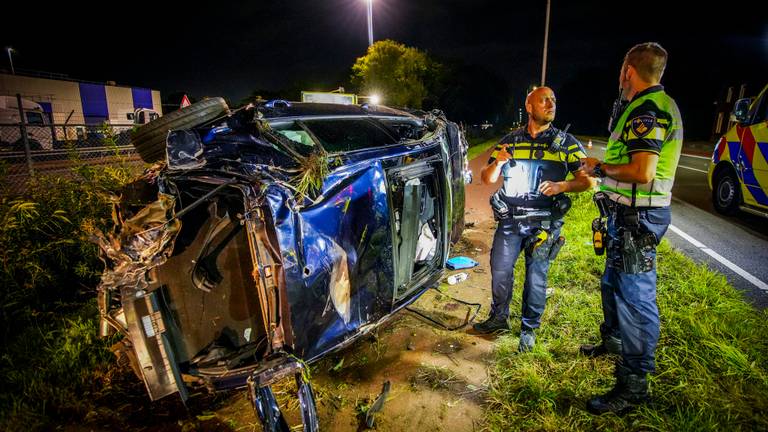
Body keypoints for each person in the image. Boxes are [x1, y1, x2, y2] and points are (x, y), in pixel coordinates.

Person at [579, 42, 683, 415]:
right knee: (612, 283)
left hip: (639, 221)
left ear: (628, 71)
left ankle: (634, 384)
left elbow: (642, 171)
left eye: (622, 72)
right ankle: (614, 343)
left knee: (636, 300)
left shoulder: (648, 108)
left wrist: (601, 169)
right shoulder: (644, 106)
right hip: (624, 218)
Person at [473, 86, 593, 353]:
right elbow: (486, 179)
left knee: (535, 277)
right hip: (510, 221)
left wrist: (563, 186)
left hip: (545, 223)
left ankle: (529, 330)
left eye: (553, 100)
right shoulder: (510, 141)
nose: (551, 104)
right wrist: (498, 163)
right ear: (529, 106)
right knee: (500, 270)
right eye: (544, 100)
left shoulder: (567, 143)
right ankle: (499, 318)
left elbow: (588, 180)